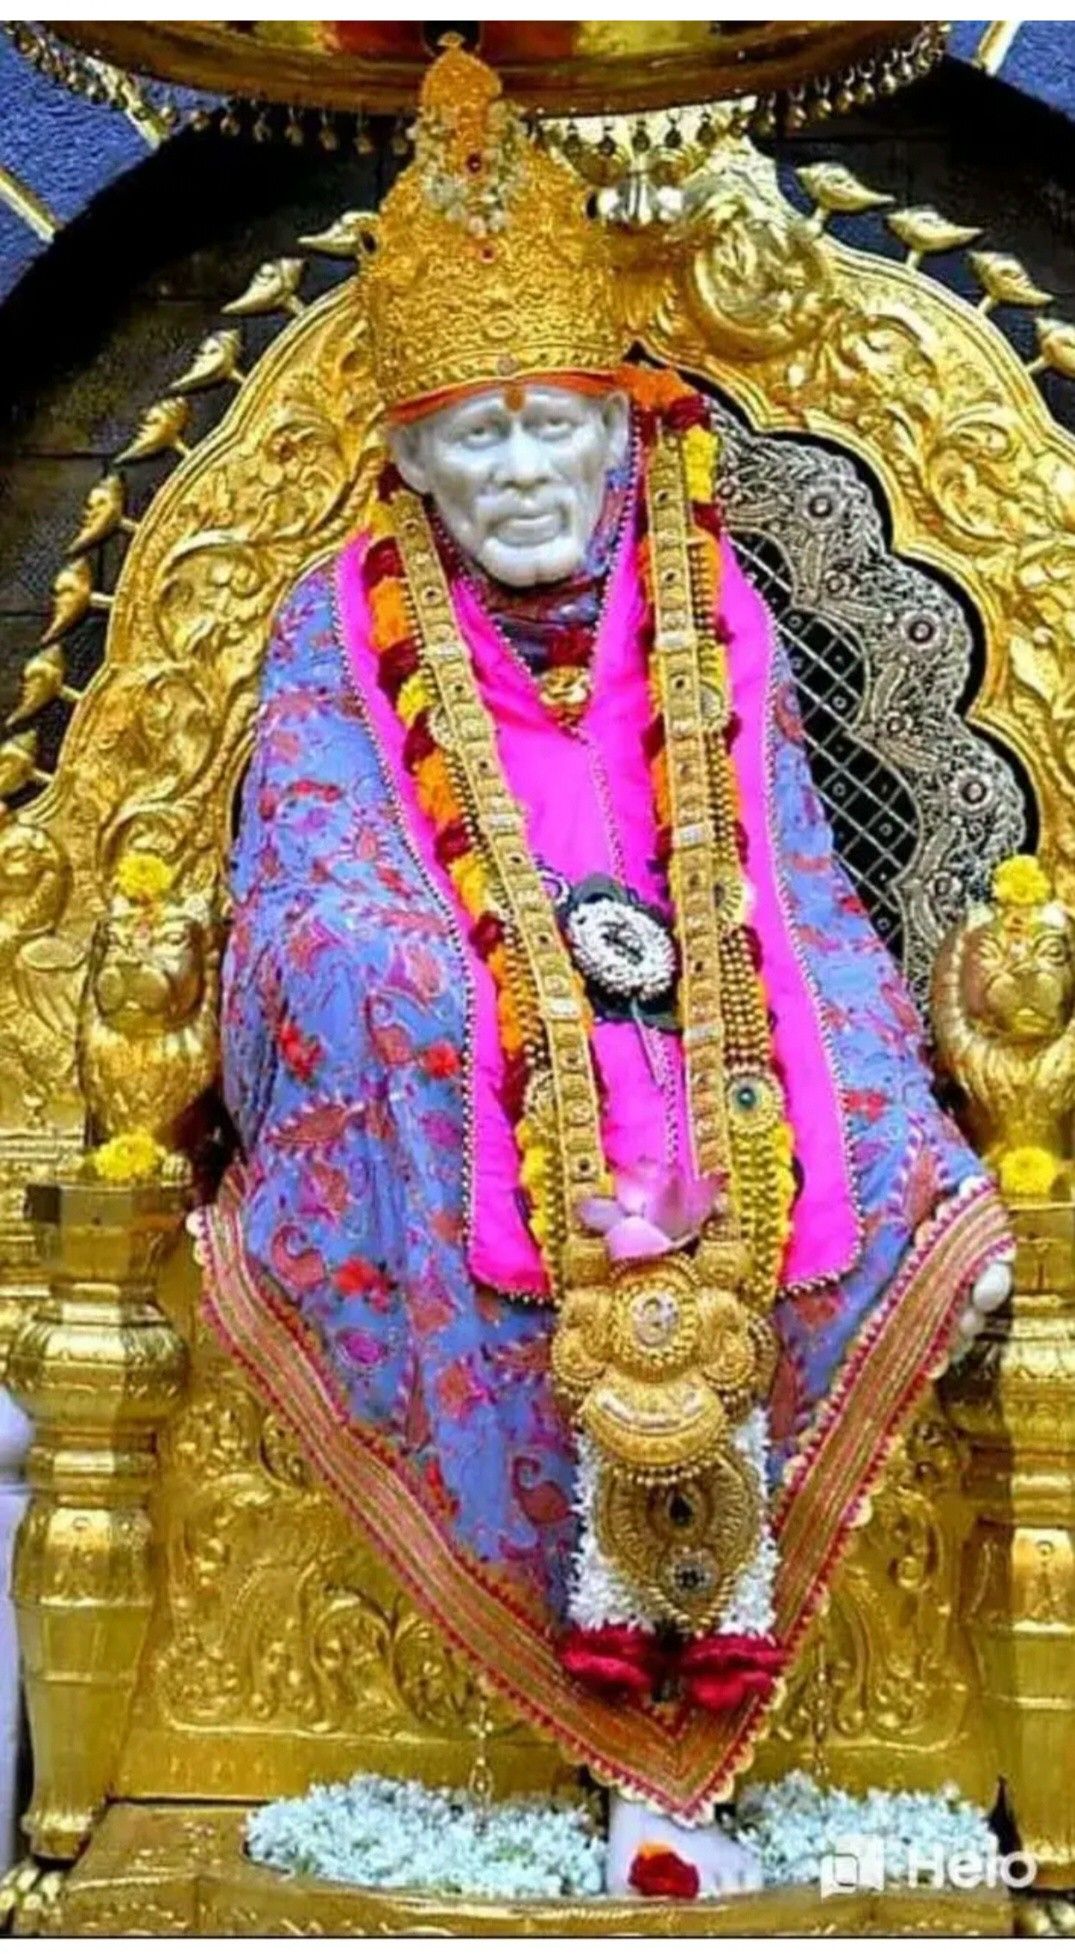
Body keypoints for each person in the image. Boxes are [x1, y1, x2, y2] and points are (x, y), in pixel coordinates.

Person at [195, 44, 1014, 1897]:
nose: (523, 469)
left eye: (554, 422)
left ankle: (709, 1721)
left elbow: (789, 874)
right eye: (475, 434)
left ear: (622, 425)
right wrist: (514, 1015)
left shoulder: (710, 601)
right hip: (487, 1066)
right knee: (422, 1052)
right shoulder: (342, 627)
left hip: (711, 1037)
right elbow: (311, 897)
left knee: (886, 1167)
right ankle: (548, 1726)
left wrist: (797, 1059)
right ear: (407, 454)